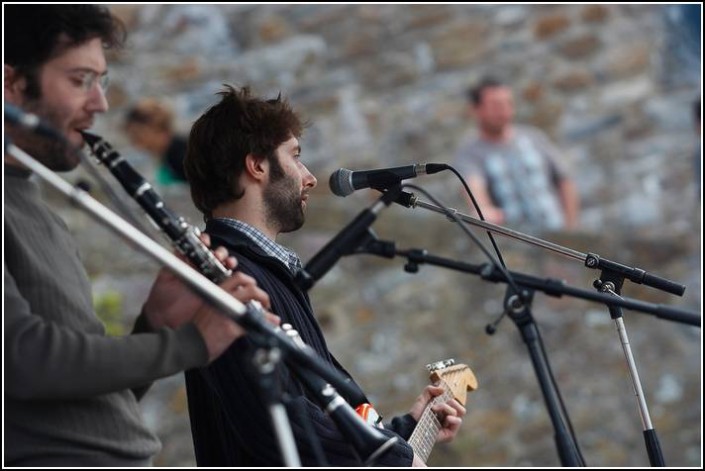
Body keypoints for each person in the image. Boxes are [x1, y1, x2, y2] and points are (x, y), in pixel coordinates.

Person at [4, 5, 272, 466]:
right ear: (10, 85)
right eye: (80, 80)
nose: (100, 103)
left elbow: (87, 401)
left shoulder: (35, 206)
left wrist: (157, 320)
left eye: (100, 81)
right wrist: (193, 342)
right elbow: (24, 362)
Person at [182, 85, 466, 467]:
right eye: (296, 157)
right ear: (257, 165)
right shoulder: (226, 276)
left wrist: (408, 427)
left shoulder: (268, 271)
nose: (310, 177)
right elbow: (273, 420)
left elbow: (323, 414)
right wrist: (393, 457)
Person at [454, 76, 580, 231]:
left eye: (508, 103)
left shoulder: (533, 137)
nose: (504, 110)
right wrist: (483, 210)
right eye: (495, 105)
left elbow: (565, 180)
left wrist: (571, 228)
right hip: (516, 246)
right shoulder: (470, 152)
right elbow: (474, 186)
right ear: (476, 109)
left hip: (555, 237)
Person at [123, 98, 188, 185]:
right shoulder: (171, 154)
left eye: (138, 137)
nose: (137, 145)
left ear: (156, 128)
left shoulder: (181, 157)